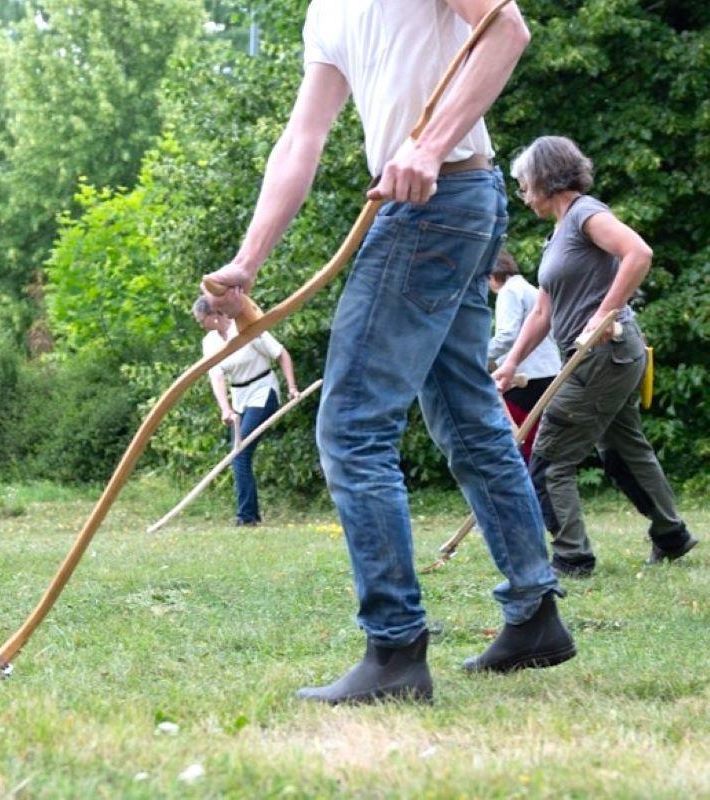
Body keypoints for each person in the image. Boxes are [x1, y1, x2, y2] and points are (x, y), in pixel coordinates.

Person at [202, 0, 574, 704]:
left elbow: (508, 28)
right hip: (454, 206)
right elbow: (300, 140)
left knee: (351, 427)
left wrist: (429, 146)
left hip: (439, 202)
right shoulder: (325, 13)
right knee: (467, 413)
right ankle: (534, 613)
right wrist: (247, 262)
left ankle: (397, 651)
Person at [493, 135, 698, 577]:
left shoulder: (586, 213)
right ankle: (672, 535)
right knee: (623, 449)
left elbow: (638, 252)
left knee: (548, 460)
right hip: (597, 359)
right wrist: (510, 364)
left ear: (546, 178)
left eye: (525, 183)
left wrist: (604, 311)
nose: (523, 192)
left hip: (605, 352)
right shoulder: (558, 234)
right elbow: (544, 312)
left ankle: (572, 557)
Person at [193, 295, 300, 526]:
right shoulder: (210, 342)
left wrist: (292, 387)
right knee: (238, 456)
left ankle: (247, 517)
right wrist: (225, 409)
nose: (199, 323)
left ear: (214, 315)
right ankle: (249, 515)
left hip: (263, 392)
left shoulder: (247, 328)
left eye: (201, 318)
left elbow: (281, 354)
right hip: (239, 398)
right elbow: (217, 377)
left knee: (240, 455)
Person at [487, 249, 561, 460]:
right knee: (537, 443)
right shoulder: (530, 289)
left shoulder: (508, 291)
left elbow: (506, 337)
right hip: (548, 373)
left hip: (526, 378)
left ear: (491, 275)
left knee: (517, 443)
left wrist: (475, 356)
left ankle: (527, 489)